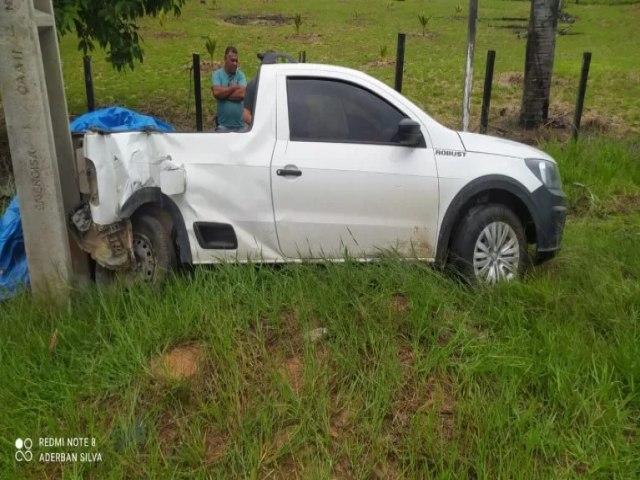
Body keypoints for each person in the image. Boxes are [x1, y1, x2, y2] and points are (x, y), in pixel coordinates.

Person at [212, 46, 247, 131]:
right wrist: (233, 88)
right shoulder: (217, 74)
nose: (235, 63)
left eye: (236, 60)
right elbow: (216, 92)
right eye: (232, 60)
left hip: (240, 127)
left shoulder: (240, 75)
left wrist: (223, 95)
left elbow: (242, 94)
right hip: (223, 127)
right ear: (225, 59)